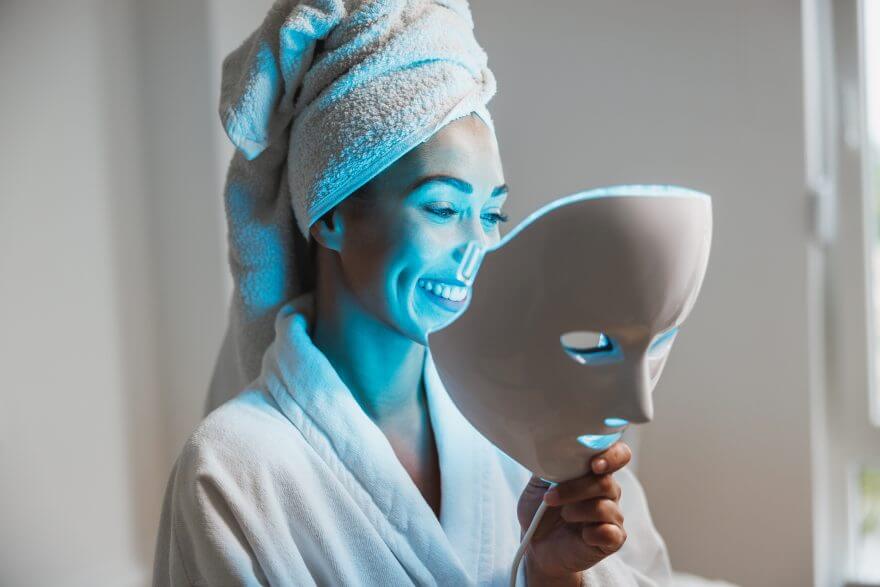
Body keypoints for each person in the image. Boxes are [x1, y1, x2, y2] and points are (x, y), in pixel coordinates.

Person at [153, 1, 672, 585]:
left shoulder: (535, 419)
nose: (480, 245)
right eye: (443, 208)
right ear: (329, 215)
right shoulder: (231, 470)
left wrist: (552, 577)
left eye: (494, 212)